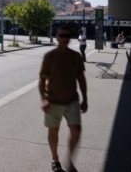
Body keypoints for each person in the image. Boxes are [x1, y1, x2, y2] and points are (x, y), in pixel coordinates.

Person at [39, 26, 88, 172]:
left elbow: (81, 78)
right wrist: (43, 98)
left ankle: (70, 160)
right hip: (53, 101)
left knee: (76, 131)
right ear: (57, 37)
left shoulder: (75, 56)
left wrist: (85, 99)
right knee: (53, 131)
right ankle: (55, 159)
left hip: (72, 100)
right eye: (63, 35)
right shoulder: (49, 56)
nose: (66, 38)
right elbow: (42, 79)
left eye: (68, 36)